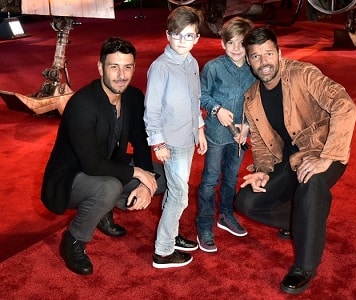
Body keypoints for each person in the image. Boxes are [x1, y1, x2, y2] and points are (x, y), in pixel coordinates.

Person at [234, 27, 356, 294]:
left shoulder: (303, 74)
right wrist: (264, 171)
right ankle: (306, 218)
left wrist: (327, 157)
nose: (263, 62)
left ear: (279, 53)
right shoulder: (252, 99)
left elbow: (345, 106)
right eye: (255, 56)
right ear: (248, 60)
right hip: (291, 160)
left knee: (310, 181)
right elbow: (263, 147)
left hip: (323, 152)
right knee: (246, 201)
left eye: (268, 53)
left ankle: (304, 266)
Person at [41, 37, 166, 275]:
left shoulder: (133, 97)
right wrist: (137, 173)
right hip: (72, 177)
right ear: (100, 68)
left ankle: (103, 210)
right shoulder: (82, 104)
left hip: (109, 166)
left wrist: (145, 183)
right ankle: (74, 240)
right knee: (108, 187)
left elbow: (140, 142)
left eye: (127, 67)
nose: (121, 75)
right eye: (114, 66)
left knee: (163, 175)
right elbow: (91, 164)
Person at [144, 6, 207, 269]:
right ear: (168, 35)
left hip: (187, 137)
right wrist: (157, 143)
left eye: (189, 35)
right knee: (179, 195)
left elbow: (195, 100)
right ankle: (163, 251)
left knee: (176, 191)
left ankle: (172, 235)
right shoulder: (161, 67)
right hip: (170, 141)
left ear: (197, 38)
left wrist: (200, 129)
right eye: (178, 35)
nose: (183, 40)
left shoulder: (191, 62)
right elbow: (152, 109)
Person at [196, 16, 255, 252]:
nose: (236, 49)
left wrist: (248, 126)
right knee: (210, 179)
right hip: (215, 134)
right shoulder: (213, 67)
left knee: (231, 177)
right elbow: (200, 94)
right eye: (231, 43)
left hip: (240, 136)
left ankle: (226, 215)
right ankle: (204, 224)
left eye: (242, 43)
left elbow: (255, 102)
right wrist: (216, 109)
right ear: (222, 43)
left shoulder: (253, 69)